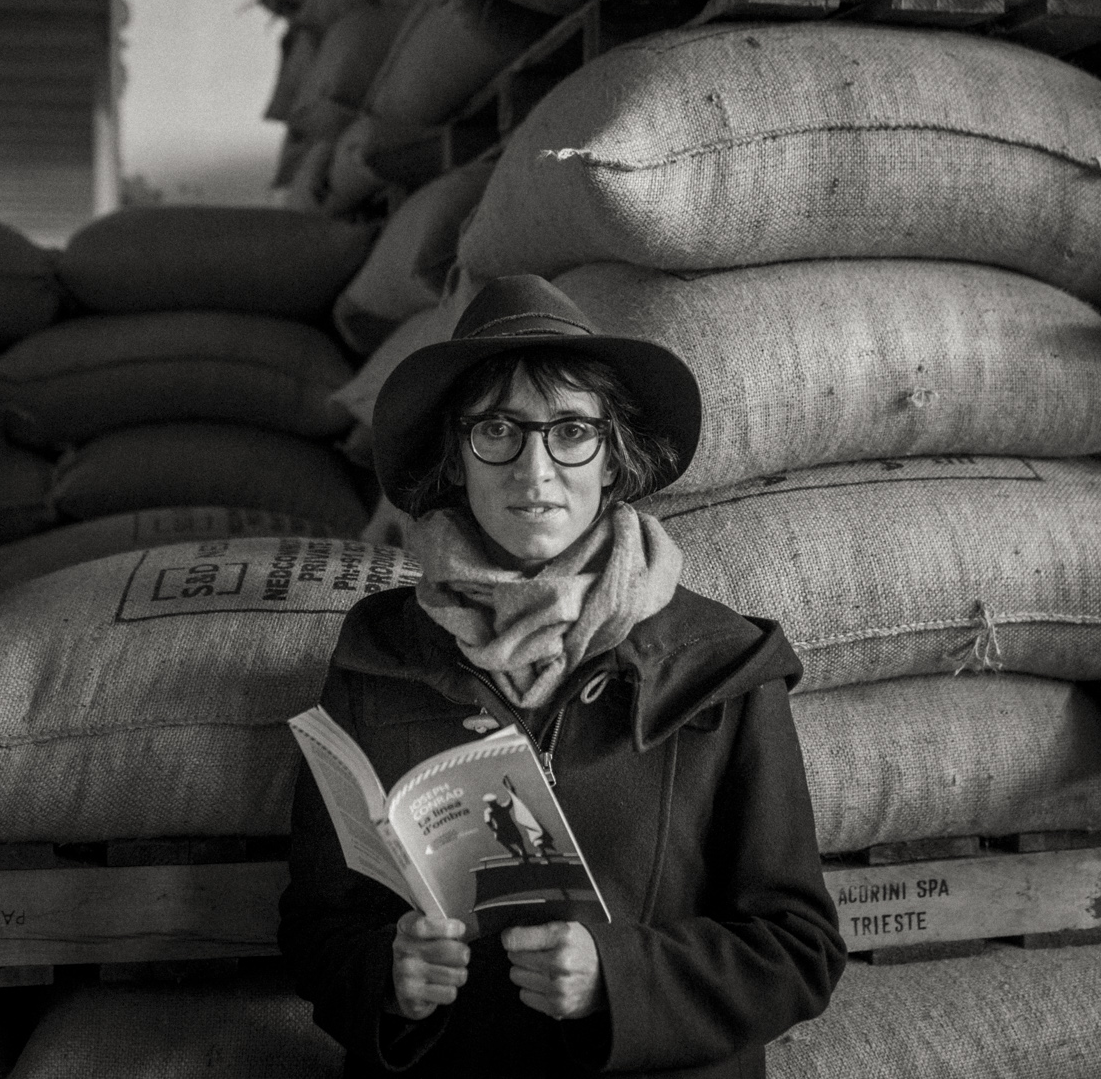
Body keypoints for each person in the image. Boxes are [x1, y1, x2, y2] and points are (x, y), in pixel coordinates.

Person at [278, 275, 844, 1078]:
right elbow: (316, 925)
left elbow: (799, 947)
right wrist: (387, 976)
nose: (534, 471)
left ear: (614, 459)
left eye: (572, 430)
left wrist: (616, 977)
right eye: (498, 431)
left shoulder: (722, 663)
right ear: (456, 455)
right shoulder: (381, 656)